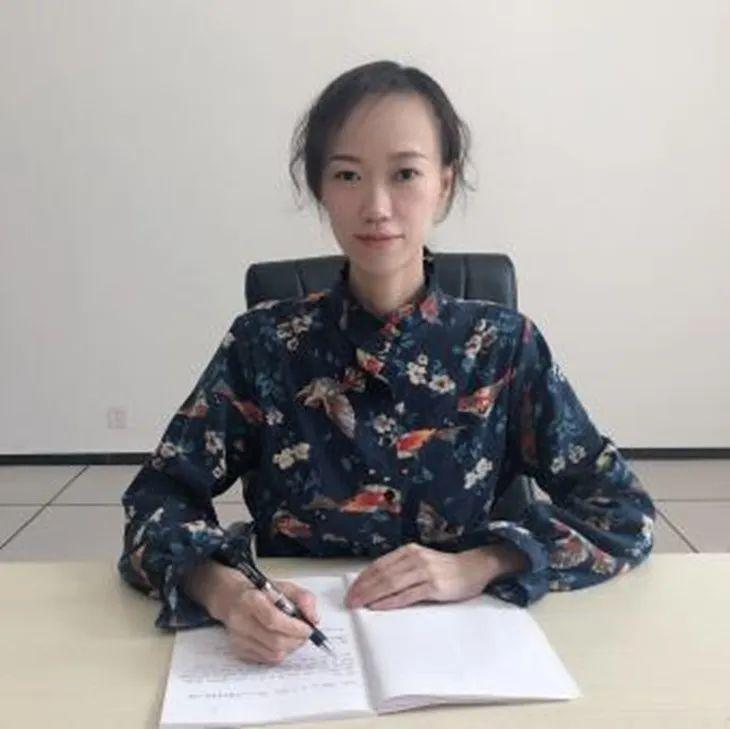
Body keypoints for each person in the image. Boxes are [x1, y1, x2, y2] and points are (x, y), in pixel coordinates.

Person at [118, 60, 655, 666]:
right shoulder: (264, 343)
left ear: (444, 185)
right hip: (297, 657)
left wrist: (483, 563)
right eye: (348, 175)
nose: (376, 207)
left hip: (464, 653)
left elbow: (623, 513)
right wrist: (226, 593)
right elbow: (157, 499)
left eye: (405, 174)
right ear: (320, 189)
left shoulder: (502, 345)